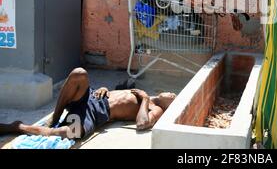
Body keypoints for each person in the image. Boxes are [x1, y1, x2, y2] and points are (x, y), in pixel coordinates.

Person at [0, 68, 176, 139]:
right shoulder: (141, 93)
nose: (172, 93)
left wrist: (145, 99)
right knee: (79, 73)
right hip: (89, 97)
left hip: (95, 113)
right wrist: (105, 88)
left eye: (173, 96)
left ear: (170, 105)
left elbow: (142, 124)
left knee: (71, 133)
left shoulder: (156, 108)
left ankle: (18, 127)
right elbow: (116, 94)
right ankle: (56, 114)